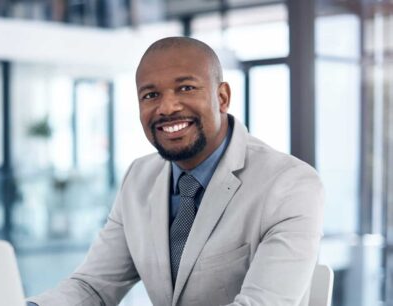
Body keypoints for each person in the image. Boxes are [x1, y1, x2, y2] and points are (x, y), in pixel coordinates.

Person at [27, 37, 324, 306]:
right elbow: (93, 287)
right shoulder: (138, 178)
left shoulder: (290, 185)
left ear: (222, 98)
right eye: (150, 95)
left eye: (186, 88)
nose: (167, 108)